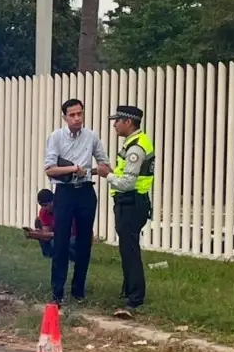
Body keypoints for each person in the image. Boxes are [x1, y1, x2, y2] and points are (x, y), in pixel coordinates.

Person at [43, 98, 110, 307]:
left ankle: (78, 289)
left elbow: (104, 163)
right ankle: (57, 291)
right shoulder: (56, 137)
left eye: (79, 114)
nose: (77, 118)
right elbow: (49, 169)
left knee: (84, 242)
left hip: (85, 192)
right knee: (61, 241)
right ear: (65, 117)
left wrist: (98, 169)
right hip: (65, 191)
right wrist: (72, 169)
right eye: (72, 115)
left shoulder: (91, 136)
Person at [105, 105, 155, 319]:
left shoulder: (135, 148)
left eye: (118, 121)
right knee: (127, 248)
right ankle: (129, 290)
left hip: (131, 202)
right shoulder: (136, 142)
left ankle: (135, 297)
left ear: (128, 122)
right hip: (133, 202)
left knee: (130, 250)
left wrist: (106, 175)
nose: (115, 125)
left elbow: (126, 182)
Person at [24, 189, 77, 260]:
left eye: (45, 205)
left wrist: (41, 235)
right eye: (41, 205)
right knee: (38, 221)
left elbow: (64, 234)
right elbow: (47, 235)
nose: (43, 208)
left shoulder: (64, 208)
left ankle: (72, 255)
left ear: (53, 201)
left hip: (75, 236)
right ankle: (48, 253)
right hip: (60, 235)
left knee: (55, 242)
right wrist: (36, 234)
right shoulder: (44, 212)